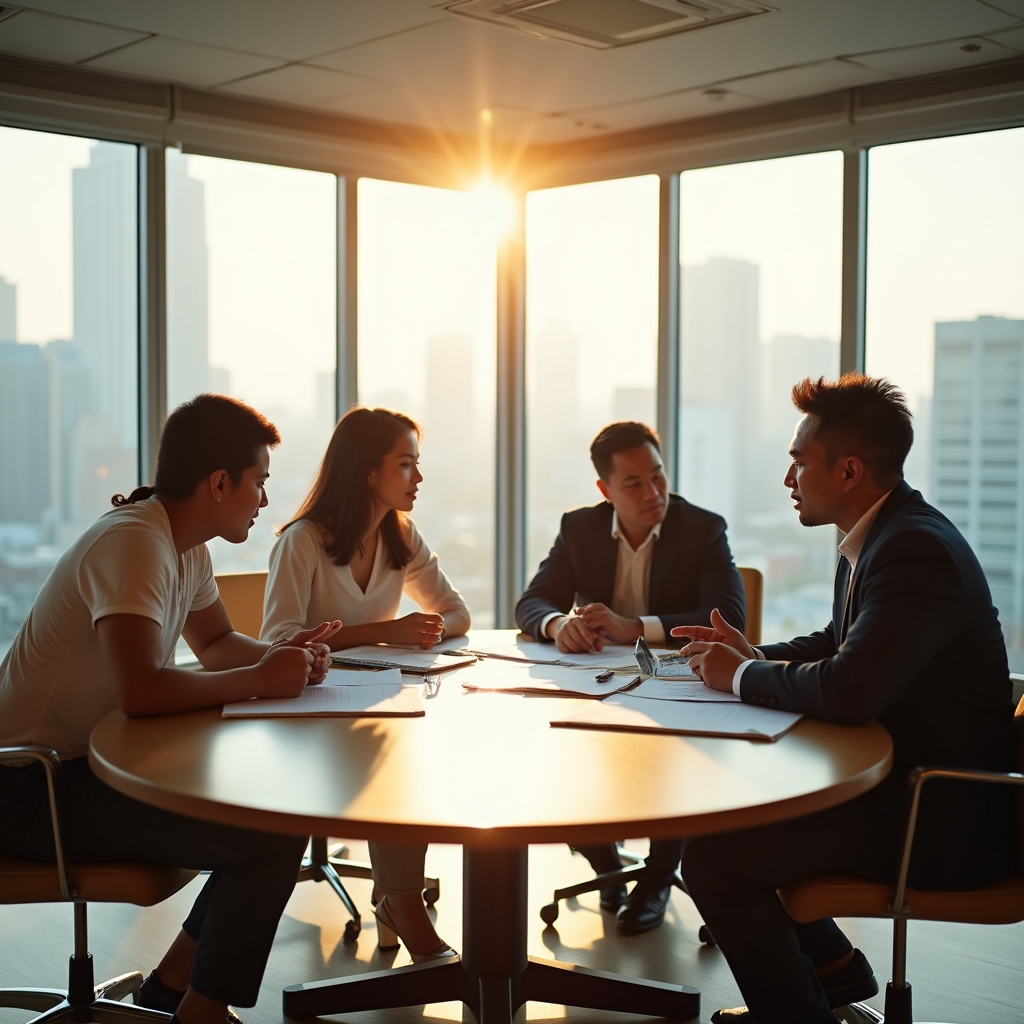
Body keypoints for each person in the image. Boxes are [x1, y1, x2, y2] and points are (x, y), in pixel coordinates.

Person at [675, 374, 1016, 1024]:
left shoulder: (915, 549)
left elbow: (849, 687)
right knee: (725, 821)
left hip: (936, 818)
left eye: (799, 462)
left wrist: (740, 678)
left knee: (714, 859)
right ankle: (832, 973)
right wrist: (750, 656)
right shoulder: (879, 534)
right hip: (899, 788)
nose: (788, 479)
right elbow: (839, 642)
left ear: (850, 470)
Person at [0, 394, 343, 1024]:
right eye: (259, 482)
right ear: (219, 483)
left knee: (270, 818)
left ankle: (172, 989)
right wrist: (260, 679)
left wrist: (281, 657)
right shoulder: (135, 543)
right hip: (28, 785)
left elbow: (216, 643)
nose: (265, 499)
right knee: (266, 837)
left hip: (83, 767)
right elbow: (142, 691)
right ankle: (199, 1014)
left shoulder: (185, 546)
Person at [516, 421, 746, 932]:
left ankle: (659, 877)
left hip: (677, 684)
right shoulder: (580, 528)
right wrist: (558, 625)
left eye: (658, 476)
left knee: (675, 755)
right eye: (634, 483)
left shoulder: (703, 528)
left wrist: (634, 626)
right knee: (559, 744)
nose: (653, 492)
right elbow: (532, 602)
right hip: (600, 686)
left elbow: (729, 615)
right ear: (605, 490)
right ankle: (606, 864)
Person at [261, 405, 468, 961]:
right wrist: (385, 632)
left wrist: (425, 630)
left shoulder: (401, 535)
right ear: (368, 472)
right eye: (406, 464)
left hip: (375, 704)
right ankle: (402, 903)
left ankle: (397, 896)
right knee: (395, 762)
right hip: (309, 712)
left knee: (414, 746)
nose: (418, 477)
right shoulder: (302, 541)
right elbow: (278, 640)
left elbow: (457, 613)